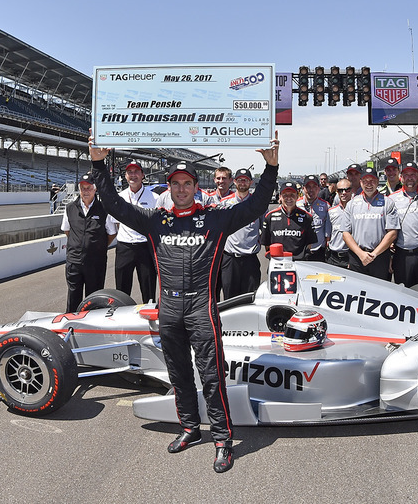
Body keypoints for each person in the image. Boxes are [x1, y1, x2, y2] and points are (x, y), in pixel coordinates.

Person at [89, 131, 279, 474]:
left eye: (186, 183)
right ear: (168, 188)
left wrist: (271, 168)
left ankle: (222, 439)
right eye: (175, 184)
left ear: (196, 186)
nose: (180, 189)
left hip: (202, 308)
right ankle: (190, 429)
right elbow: (113, 205)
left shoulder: (216, 219)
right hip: (170, 309)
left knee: (211, 375)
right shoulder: (155, 221)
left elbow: (256, 205)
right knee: (178, 375)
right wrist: (98, 164)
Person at [61, 172, 117, 313]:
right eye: (83, 188)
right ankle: (71, 326)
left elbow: (111, 233)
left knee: (93, 299)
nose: (85, 191)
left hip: (95, 263)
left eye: (89, 187)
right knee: (73, 298)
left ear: (95, 188)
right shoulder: (70, 208)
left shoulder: (104, 209)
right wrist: (79, 245)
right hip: (74, 262)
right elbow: (67, 231)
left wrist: (97, 246)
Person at [113, 161, 158, 304]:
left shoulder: (154, 198)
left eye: (136, 172)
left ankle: (150, 319)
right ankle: (120, 316)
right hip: (124, 247)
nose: (133, 175)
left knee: (148, 287)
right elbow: (114, 223)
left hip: (145, 247)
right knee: (121, 288)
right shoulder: (119, 197)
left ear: (143, 175)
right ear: (125, 176)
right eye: (130, 172)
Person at [342, 168, 399, 280]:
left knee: (380, 292)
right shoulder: (352, 204)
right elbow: (345, 234)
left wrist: (374, 254)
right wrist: (360, 254)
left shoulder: (388, 202)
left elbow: (392, 233)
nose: (369, 184)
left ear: (377, 182)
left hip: (379, 257)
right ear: (360, 182)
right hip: (357, 256)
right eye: (365, 181)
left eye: (372, 181)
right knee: (357, 292)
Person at [220, 168, 262, 299]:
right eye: (239, 180)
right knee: (229, 299)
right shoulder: (224, 204)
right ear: (234, 182)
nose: (242, 183)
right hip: (230, 260)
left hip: (250, 259)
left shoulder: (258, 204)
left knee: (250, 299)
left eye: (245, 180)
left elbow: (265, 227)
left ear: (251, 182)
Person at [261, 182, 316, 260]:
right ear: (280, 197)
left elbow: (309, 244)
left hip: (299, 263)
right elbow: (266, 244)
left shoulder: (307, 217)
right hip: (277, 263)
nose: (289, 198)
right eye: (285, 195)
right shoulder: (270, 217)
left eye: (292, 195)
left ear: (297, 196)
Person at [298, 175, 331, 261]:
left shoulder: (325, 206)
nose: (311, 190)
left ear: (318, 189)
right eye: (308, 187)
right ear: (303, 188)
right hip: (300, 251)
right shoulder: (296, 205)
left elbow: (328, 231)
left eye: (314, 187)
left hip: (319, 252)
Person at [326, 178, 353, 269]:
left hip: (351, 257)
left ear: (351, 191)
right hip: (333, 257)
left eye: (347, 190)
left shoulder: (357, 210)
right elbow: (328, 236)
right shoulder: (331, 211)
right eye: (340, 190)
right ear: (337, 192)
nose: (344, 193)